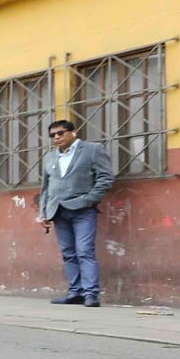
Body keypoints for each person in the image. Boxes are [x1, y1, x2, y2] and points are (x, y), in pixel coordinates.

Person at [36, 120, 115, 307]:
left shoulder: (92, 150)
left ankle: (91, 294)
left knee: (84, 251)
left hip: (83, 210)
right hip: (58, 211)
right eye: (52, 135)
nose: (56, 137)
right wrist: (43, 213)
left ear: (73, 133)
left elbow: (106, 177)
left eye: (60, 133)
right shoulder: (50, 158)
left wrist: (90, 199)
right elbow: (46, 188)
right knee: (68, 253)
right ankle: (75, 292)